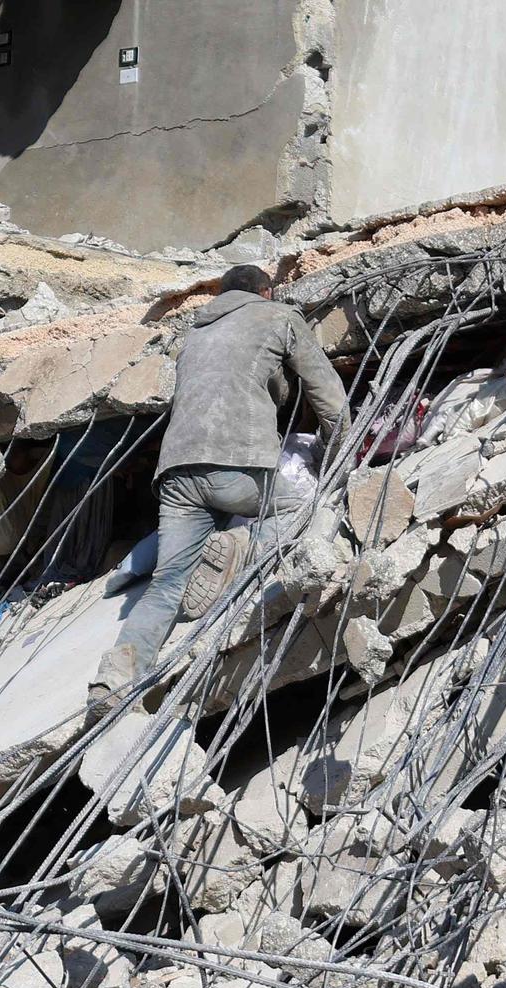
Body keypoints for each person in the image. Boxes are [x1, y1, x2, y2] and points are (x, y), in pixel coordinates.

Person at [90, 264, 349, 708]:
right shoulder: (280, 316)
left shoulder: (195, 333)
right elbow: (329, 396)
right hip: (239, 462)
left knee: (167, 582)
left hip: (175, 473)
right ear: (266, 292)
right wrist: (337, 450)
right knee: (303, 507)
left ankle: (112, 681)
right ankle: (238, 544)